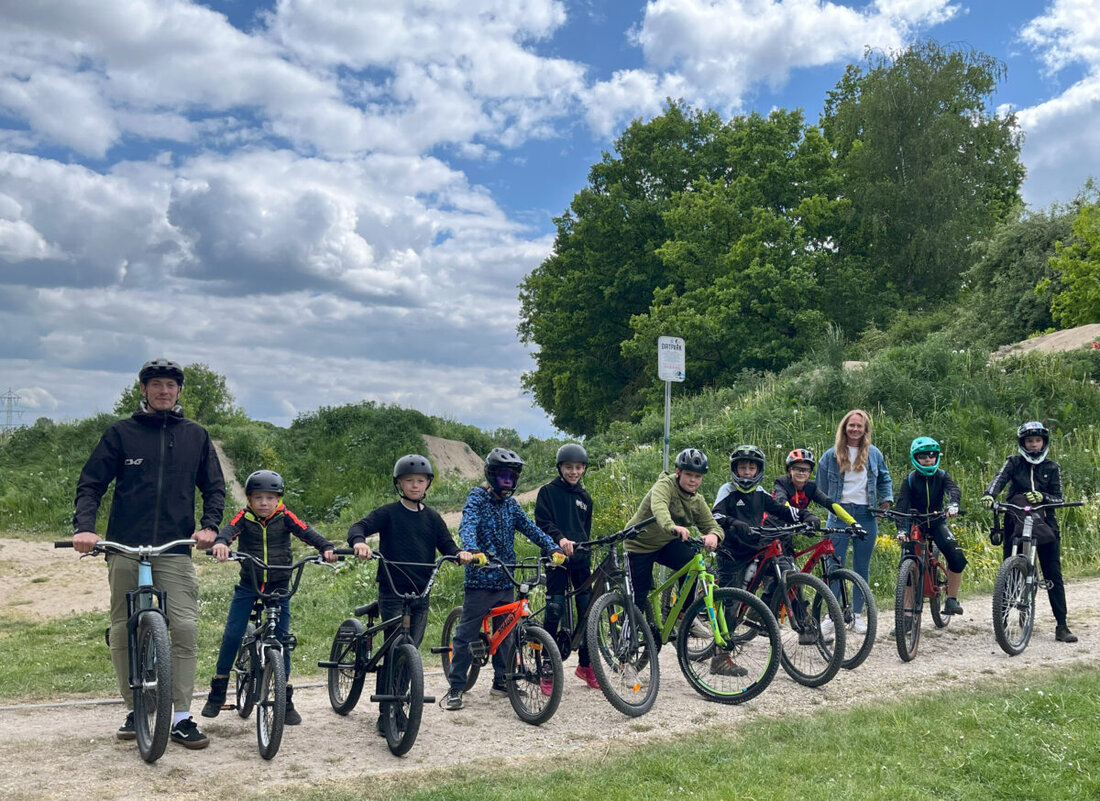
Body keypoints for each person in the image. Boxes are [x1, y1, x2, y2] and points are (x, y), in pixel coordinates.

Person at [72, 358, 225, 749]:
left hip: (174, 547)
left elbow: (213, 487)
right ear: (143, 389)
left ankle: (180, 715)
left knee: (186, 627)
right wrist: (85, 529)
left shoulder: (195, 435)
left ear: (179, 392)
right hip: (125, 544)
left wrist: (209, 527)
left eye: (170, 386)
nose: (163, 391)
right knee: (123, 628)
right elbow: (91, 483)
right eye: (155, 384)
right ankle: (135, 705)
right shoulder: (121, 433)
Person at [346, 454, 473, 730]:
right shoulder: (389, 512)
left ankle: (399, 705)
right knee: (394, 650)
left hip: (421, 591)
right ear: (399, 484)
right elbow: (359, 527)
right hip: (392, 590)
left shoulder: (433, 518)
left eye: (420, 481)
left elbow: (447, 546)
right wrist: (360, 543)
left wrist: (459, 554)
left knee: (410, 650)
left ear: (428, 484)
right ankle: (385, 713)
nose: (415, 486)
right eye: (408, 481)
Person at [201, 470, 337, 725]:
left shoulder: (285, 517)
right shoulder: (245, 517)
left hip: (279, 584)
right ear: (250, 500)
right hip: (249, 584)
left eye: (269, 498)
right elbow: (229, 530)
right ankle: (218, 689)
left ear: (278, 500)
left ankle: (284, 698)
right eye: (258, 498)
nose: (264, 503)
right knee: (232, 634)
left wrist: (326, 547)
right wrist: (221, 543)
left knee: (283, 640)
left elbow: (307, 531)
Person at [444, 448, 567, 711]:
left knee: (507, 634)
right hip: (480, 581)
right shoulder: (477, 498)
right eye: (502, 477)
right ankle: (456, 687)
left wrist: (552, 548)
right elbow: (467, 524)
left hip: (505, 578)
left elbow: (531, 528)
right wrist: (472, 549)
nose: (507, 483)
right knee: (465, 634)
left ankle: (502, 682)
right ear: (491, 475)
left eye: (512, 478)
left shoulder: (511, 506)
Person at [980, 421, 1077, 642]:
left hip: (1045, 523)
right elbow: (999, 480)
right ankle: (1002, 621)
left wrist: (1043, 498)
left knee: (1053, 573)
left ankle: (1062, 625)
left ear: (1044, 442)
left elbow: (1059, 497)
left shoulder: (1052, 467)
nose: (1034, 445)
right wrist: (989, 495)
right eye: (1029, 441)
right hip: (1015, 519)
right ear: (1022, 443)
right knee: (1009, 567)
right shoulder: (1013, 462)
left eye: (1038, 440)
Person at [623, 448, 722, 659]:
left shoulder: (697, 500)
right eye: (689, 474)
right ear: (678, 472)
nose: (693, 480)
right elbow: (659, 507)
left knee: (691, 563)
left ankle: (684, 615)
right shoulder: (665, 485)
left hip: (665, 544)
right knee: (638, 601)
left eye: (698, 476)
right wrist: (672, 527)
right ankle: (625, 652)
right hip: (639, 544)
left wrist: (714, 536)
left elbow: (713, 525)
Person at [710, 446, 800, 674]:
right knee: (731, 602)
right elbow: (716, 514)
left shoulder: (760, 492)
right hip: (731, 552)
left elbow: (780, 510)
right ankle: (720, 658)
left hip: (754, 548)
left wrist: (804, 516)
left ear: (758, 470)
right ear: (735, 469)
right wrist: (733, 522)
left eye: (752, 467)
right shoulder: (728, 490)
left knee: (779, 569)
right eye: (743, 467)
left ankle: (758, 614)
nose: (747, 472)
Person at [814, 409, 893, 635]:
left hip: (866, 513)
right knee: (835, 565)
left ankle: (857, 614)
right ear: (844, 427)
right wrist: (832, 505)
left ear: (865, 429)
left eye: (859, 426)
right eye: (851, 425)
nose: (855, 429)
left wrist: (886, 499)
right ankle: (832, 614)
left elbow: (885, 478)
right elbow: (820, 486)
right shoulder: (830, 455)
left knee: (862, 565)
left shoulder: (874, 453)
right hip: (839, 514)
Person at [535, 443, 597, 690]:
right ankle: (547, 665)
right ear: (560, 467)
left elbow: (585, 530)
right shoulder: (547, 492)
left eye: (578, 467)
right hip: (556, 557)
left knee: (587, 612)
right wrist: (559, 540)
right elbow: (542, 522)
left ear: (584, 469)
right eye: (569, 467)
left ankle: (586, 666)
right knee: (554, 608)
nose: (574, 472)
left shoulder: (585, 498)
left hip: (580, 559)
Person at [894, 437, 966, 616]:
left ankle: (951, 599)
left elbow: (954, 490)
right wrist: (901, 529)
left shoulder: (942, 475)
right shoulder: (909, 479)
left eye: (932, 456)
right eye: (923, 456)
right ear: (915, 458)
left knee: (956, 556)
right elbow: (901, 506)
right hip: (915, 524)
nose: (928, 459)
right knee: (908, 565)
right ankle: (908, 616)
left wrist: (953, 505)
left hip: (936, 522)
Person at [771, 448, 860, 533]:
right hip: (772, 526)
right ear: (789, 470)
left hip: (792, 527)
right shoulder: (782, 483)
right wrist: (805, 516)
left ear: (810, 472)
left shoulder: (811, 487)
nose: (801, 473)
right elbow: (782, 503)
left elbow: (830, 504)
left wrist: (853, 523)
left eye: (805, 470)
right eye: (797, 468)